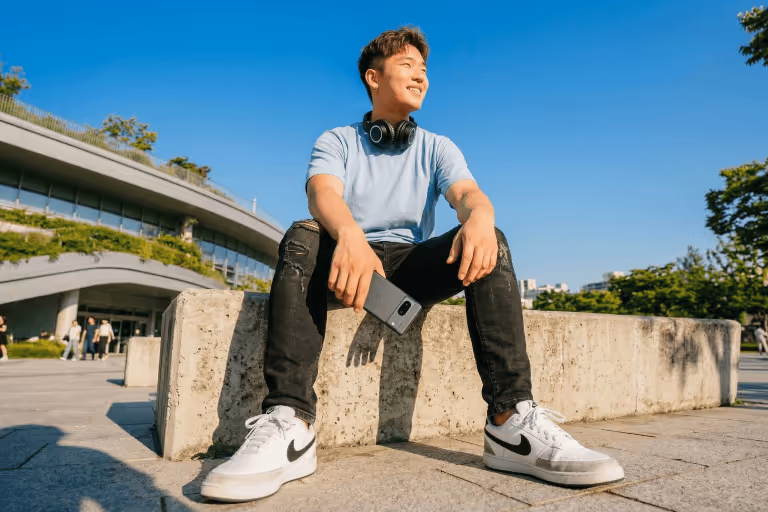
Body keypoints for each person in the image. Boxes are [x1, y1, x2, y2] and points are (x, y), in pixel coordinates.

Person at [200, 27, 624, 503]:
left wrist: (480, 217)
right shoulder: (338, 140)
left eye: (424, 69)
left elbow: (467, 194)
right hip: (350, 259)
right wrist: (351, 237)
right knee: (302, 234)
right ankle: (289, 423)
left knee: (490, 240)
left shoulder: (438, 146)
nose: (421, 75)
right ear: (373, 77)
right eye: (407, 65)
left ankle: (511, 421)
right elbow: (322, 193)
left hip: (410, 267)